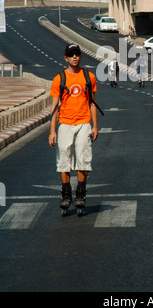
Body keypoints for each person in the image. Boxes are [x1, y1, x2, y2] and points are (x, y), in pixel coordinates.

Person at [48, 44, 99, 211]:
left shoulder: (88, 77)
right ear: (66, 58)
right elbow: (54, 108)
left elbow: (92, 103)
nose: (74, 57)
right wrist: (52, 131)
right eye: (71, 55)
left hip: (83, 122)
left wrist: (95, 126)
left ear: (80, 57)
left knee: (83, 157)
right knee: (64, 158)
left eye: (77, 54)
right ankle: (66, 194)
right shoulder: (59, 79)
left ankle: (81, 193)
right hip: (65, 124)